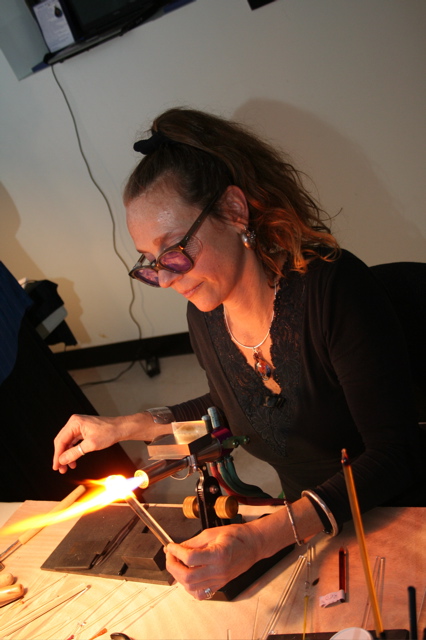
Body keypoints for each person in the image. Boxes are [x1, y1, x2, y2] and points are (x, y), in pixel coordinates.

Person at [53, 107, 424, 600]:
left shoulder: (333, 288)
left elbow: (395, 454)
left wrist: (262, 537)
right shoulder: (206, 316)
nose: (166, 278)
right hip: (313, 531)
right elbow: (233, 407)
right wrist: (128, 425)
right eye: (149, 262)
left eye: (174, 250)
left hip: (399, 517)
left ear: (233, 210)